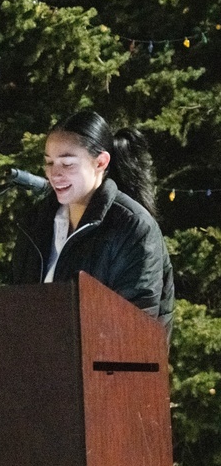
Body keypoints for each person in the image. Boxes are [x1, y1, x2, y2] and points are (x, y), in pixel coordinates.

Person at [12, 110, 175, 332]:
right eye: (49, 163)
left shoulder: (133, 227)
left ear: (100, 162)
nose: (54, 174)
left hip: (102, 364)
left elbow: (136, 323)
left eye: (67, 164)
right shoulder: (35, 222)